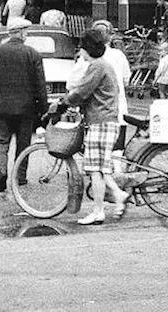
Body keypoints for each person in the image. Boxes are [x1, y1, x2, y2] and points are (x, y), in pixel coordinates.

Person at [57, 29, 127, 225]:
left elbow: (81, 92)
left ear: (86, 49)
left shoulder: (96, 67)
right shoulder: (104, 65)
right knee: (101, 167)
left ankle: (98, 211)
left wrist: (62, 104)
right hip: (107, 119)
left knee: (94, 169)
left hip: (101, 121)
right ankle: (118, 195)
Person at [0, 17, 48, 193]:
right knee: (23, 144)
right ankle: (20, 177)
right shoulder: (32, 54)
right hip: (25, 108)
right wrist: (43, 109)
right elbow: (40, 84)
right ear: (22, 33)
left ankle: (1, 171)